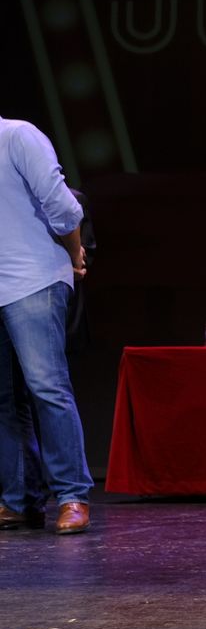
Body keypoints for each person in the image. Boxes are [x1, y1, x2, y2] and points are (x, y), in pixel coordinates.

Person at [0, 116, 92, 535]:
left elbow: (63, 205)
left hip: (32, 278)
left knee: (45, 386)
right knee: (3, 399)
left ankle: (72, 495)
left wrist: (74, 254)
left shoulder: (18, 135)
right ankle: (18, 499)